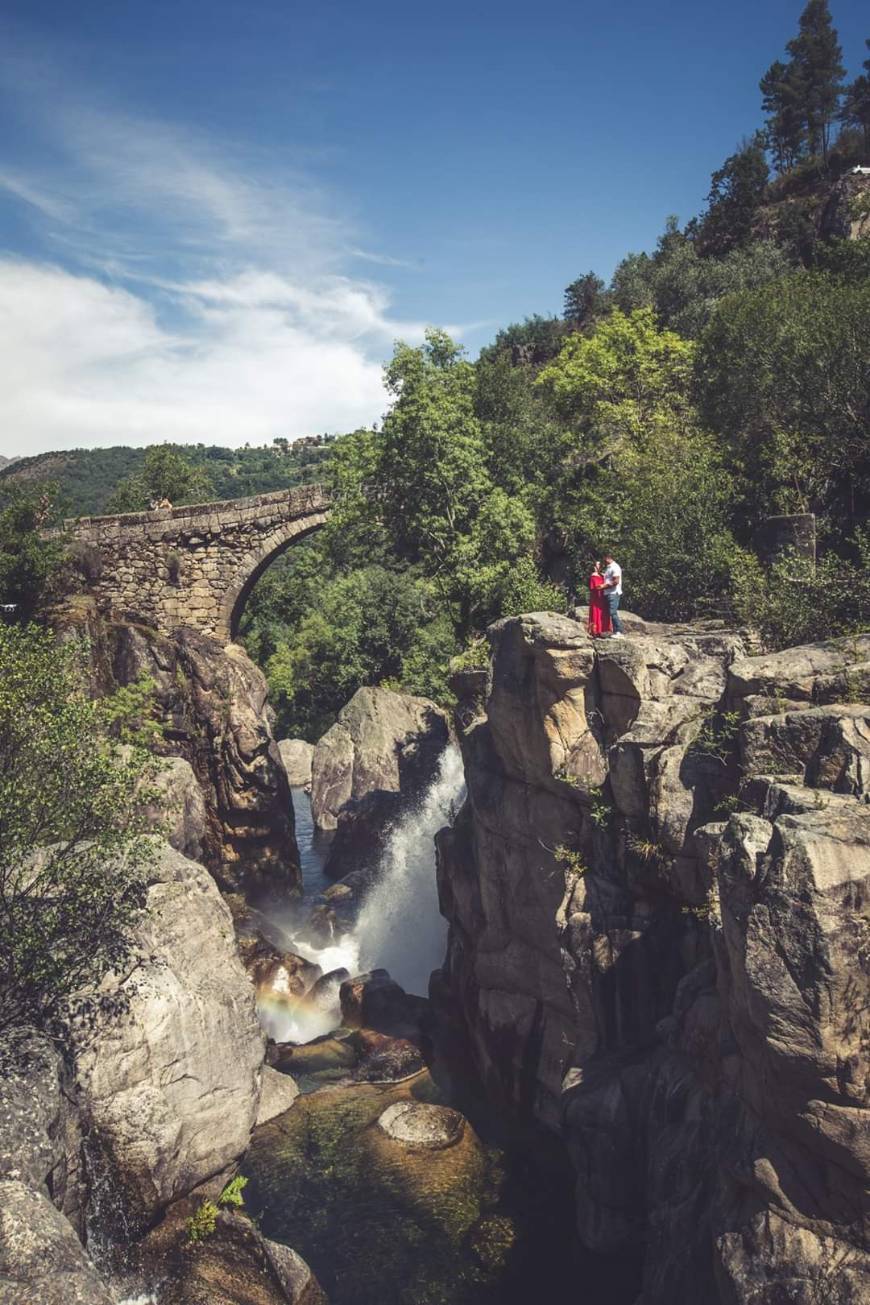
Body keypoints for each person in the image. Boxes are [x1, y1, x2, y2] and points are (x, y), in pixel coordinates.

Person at [601, 553, 624, 638]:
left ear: (608, 558)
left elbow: (616, 581)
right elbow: (609, 578)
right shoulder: (609, 568)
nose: (603, 561)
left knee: (613, 612)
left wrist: (603, 586)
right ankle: (614, 631)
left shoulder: (615, 567)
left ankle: (619, 631)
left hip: (613, 593)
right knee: (609, 612)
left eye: (604, 559)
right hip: (608, 593)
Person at [587, 561, 611, 637]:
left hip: (603, 597)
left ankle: (605, 630)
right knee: (596, 612)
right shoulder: (593, 576)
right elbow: (595, 587)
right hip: (596, 598)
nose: (600, 565)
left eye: (601, 564)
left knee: (604, 613)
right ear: (595, 567)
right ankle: (595, 631)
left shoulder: (603, 575)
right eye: (598, 564)